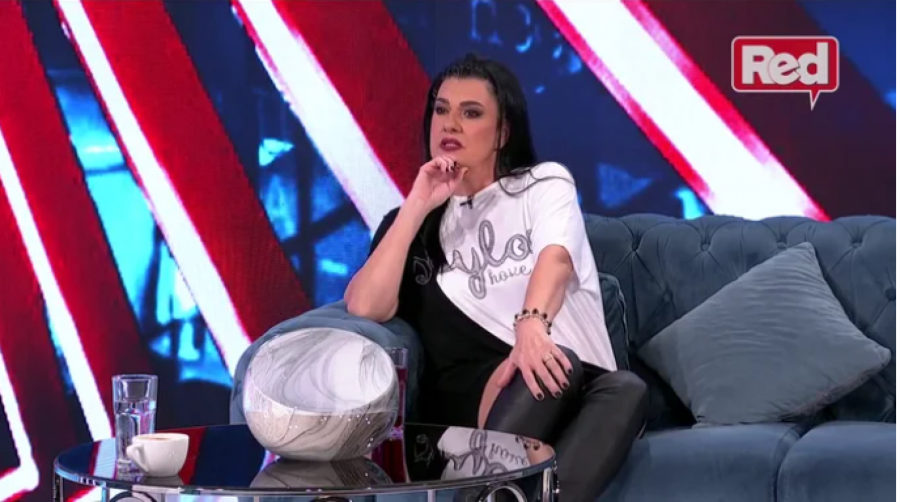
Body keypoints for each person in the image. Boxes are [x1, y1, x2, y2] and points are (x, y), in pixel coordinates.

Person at [343, 53, 648, 501]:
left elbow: (556, 260)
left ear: (503, 133)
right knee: (553, 369)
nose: (450, 124)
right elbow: (365, 305)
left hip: (567, 379)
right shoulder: (409, 224)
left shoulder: (542, 185)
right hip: (478, 405)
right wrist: (417, 204)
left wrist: (531, 327)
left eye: (471, 113)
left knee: (626, 386)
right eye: (441, 110)